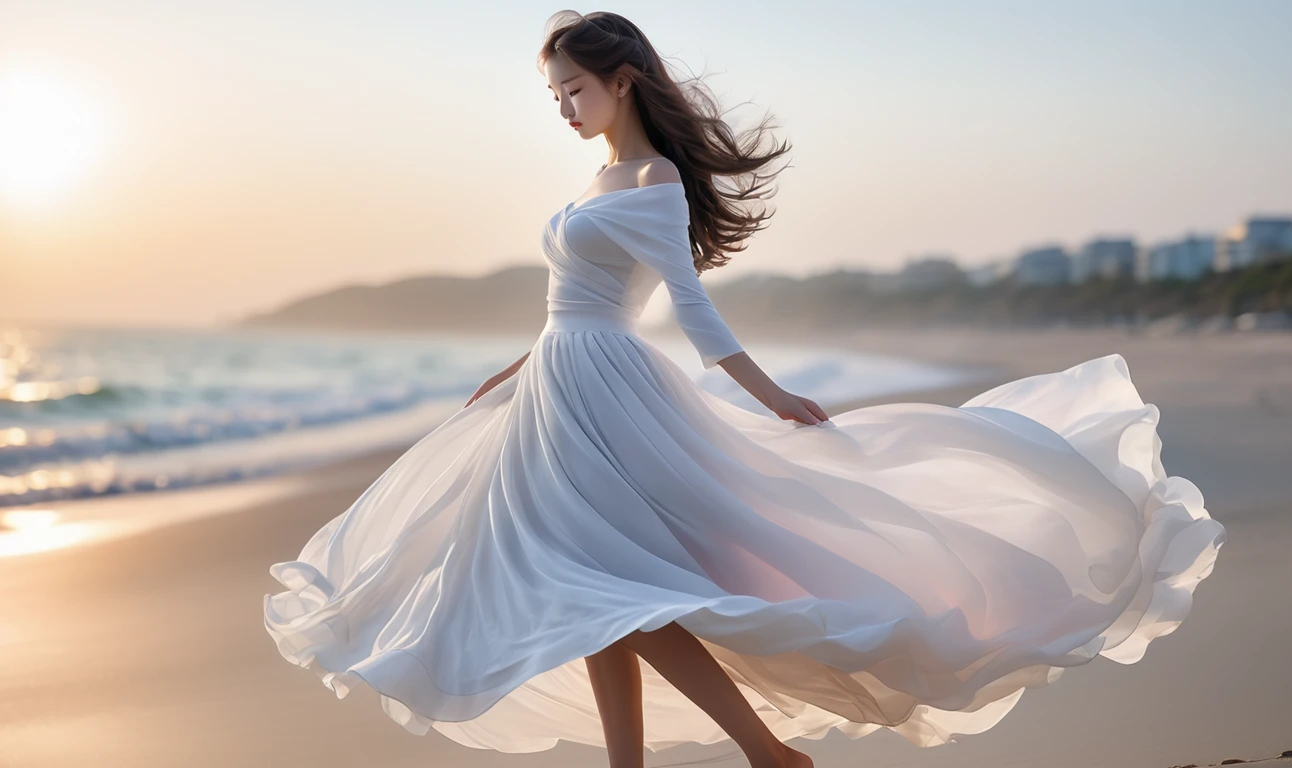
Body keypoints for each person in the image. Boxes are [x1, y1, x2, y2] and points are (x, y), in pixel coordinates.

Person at [263, 10, 1227, 768]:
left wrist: (772, 399)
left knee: (607, 588)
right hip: (557, 387)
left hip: (609, 396)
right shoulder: (601, 178)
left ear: (621, 79)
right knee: (580, 586)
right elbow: (572, 303)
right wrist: (514, 370)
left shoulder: (651, 183)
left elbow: (690, 311)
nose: (562, 106)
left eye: (573, 89)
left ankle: (769, 753)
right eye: (553, 93)